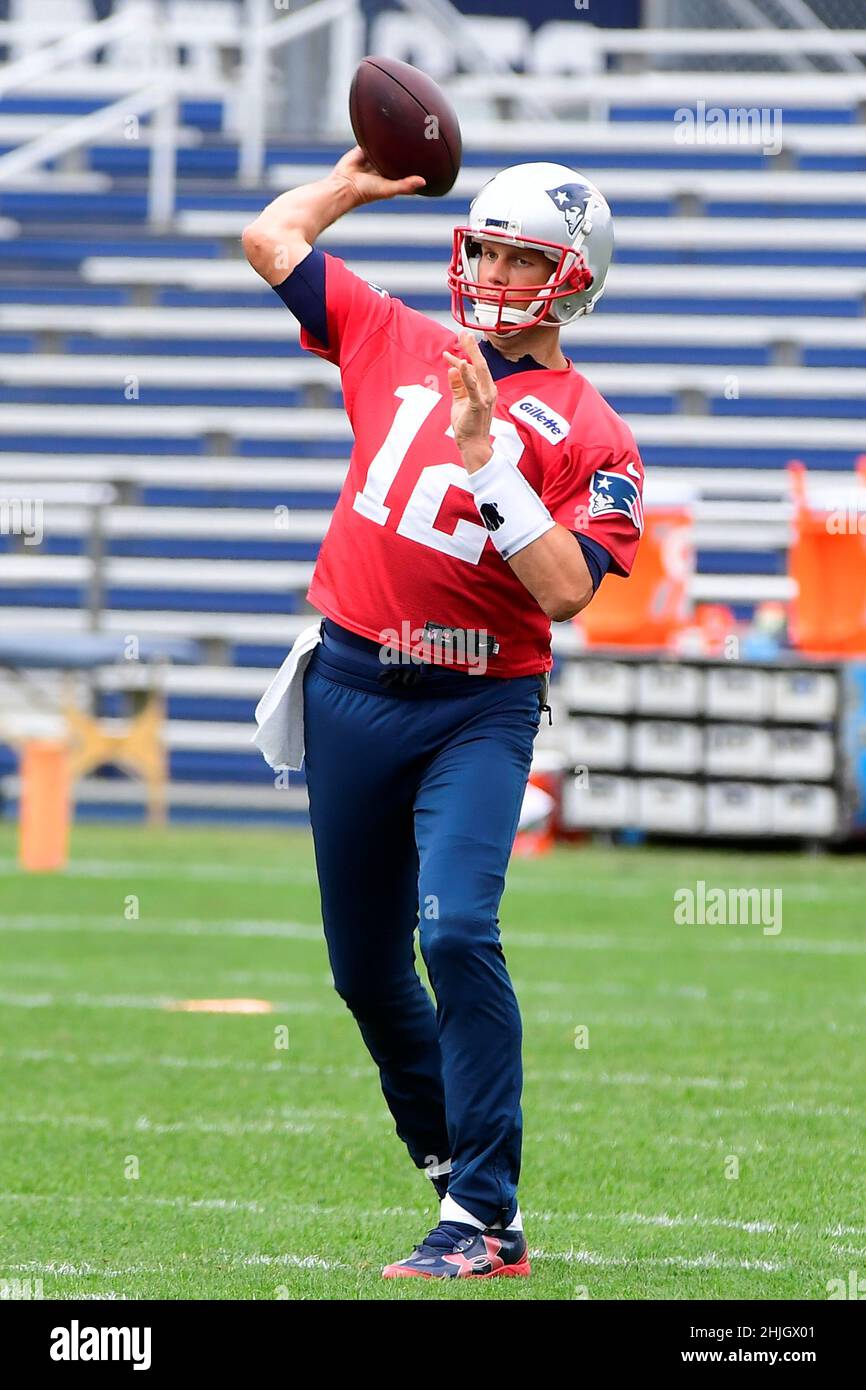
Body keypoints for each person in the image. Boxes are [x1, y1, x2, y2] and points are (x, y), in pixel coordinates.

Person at [243, 148, 644, 1279]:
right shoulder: (399, 336)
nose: (496, 271)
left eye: (525, 257)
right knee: (364, 975)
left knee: (456, 930)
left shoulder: (590, 430)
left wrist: (486, 462)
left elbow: (565, 588)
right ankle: (452, 1178)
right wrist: (352, 187)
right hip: (351, 685)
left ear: (572, 281)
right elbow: (272, 240)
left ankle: (481, 1212)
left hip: (476, 703)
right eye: (488, 246)